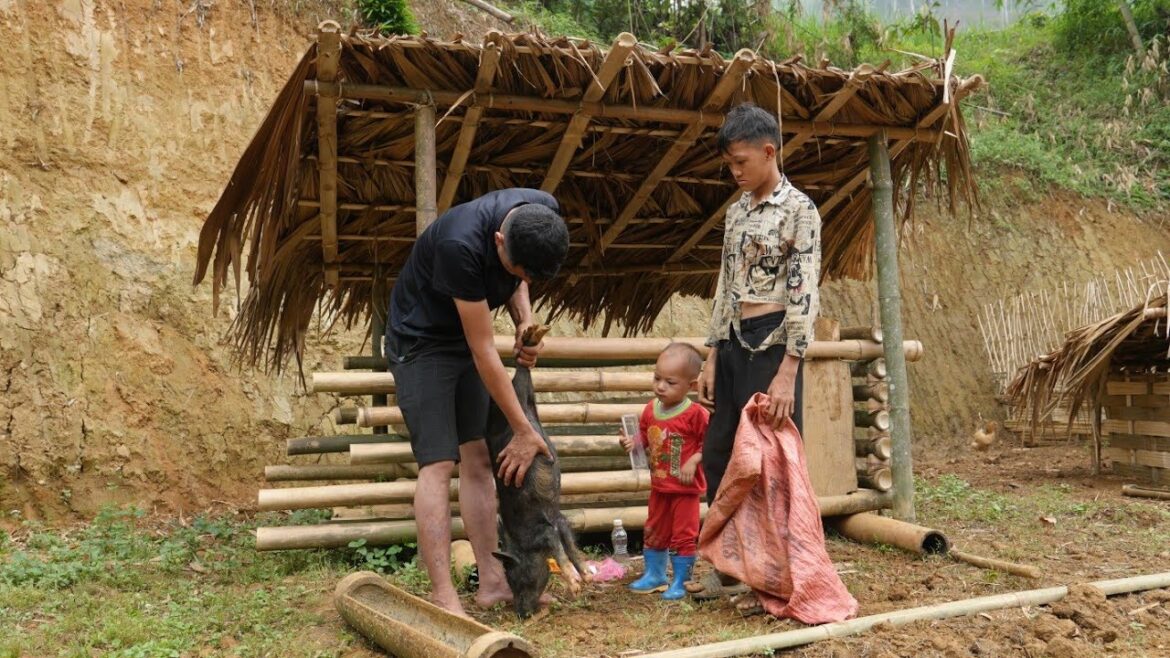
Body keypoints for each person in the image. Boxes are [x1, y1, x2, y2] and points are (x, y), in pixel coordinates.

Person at [384, 188, 570, 617]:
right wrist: (522, 429)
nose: (520, 279)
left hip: (464, 341)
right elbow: (485, 350)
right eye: (516, 269)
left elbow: (517, 279)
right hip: (422, 343)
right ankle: (444, 596)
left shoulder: (541, 210)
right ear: (500, 241)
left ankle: (492, 583)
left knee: (479, 459)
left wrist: (524, 319)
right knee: (437, 463)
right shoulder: (459, 244)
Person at [690, 103, 822, 612]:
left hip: (775, 341)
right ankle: (728, 564)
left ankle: (771, 575)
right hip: (732, 340)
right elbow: (725, 284)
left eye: (741, 162)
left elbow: (805, 290)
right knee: (722, 451)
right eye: (730, 165)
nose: (735, 172)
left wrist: (790, 367)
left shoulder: (800, 210)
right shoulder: (737, 210)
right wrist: (710, 354)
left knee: (772, 458)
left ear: (770, 152)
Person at [619, 343, 710, 600]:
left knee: (684, 533)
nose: (660, 386)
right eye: (657, 378)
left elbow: (710, 442)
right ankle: (655, 574)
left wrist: (693, 461)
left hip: (685, 489)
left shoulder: (696, 414)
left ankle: (681, 579)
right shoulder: (651, 409)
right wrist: (632, 443)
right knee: (654, 529)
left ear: (691, 386)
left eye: (670, 382)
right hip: (659, 486)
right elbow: (646, 437)